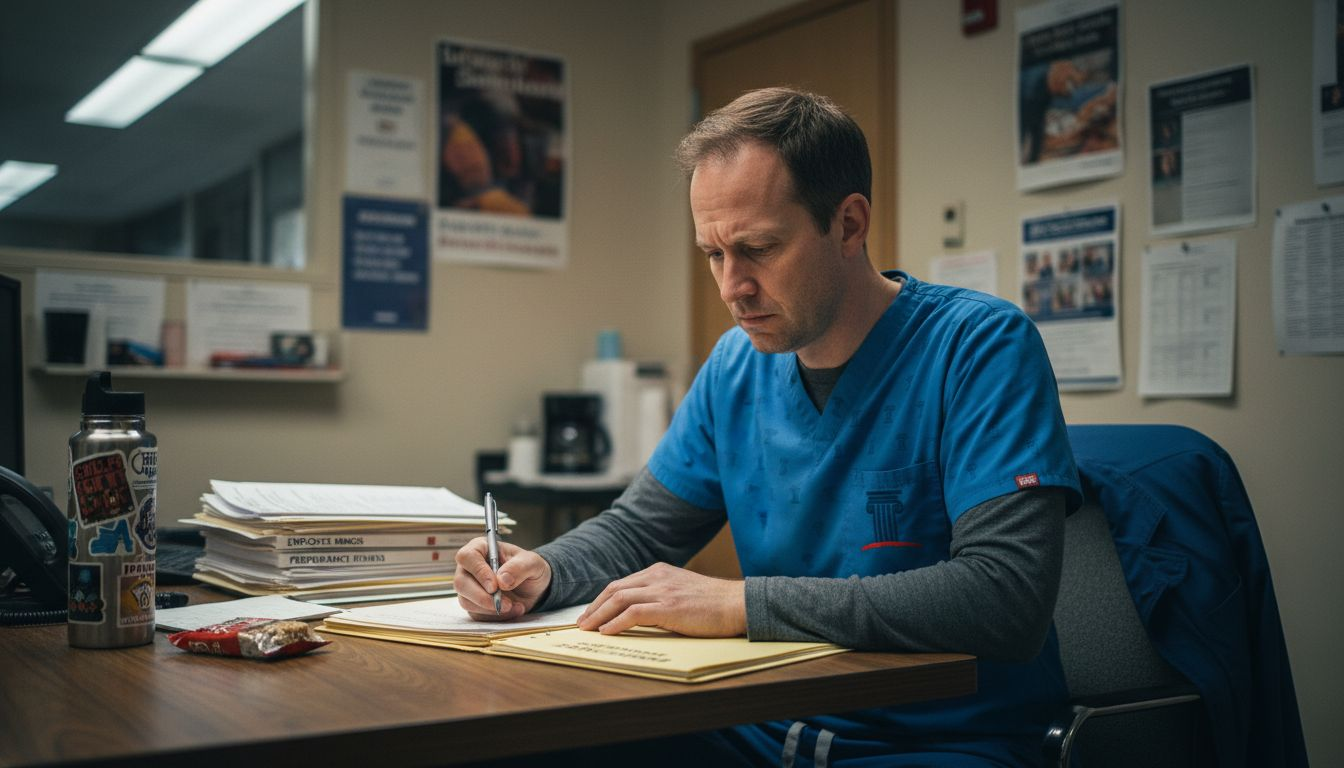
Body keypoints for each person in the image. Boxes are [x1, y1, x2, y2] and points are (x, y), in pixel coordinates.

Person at [456, 87, 1081, 767]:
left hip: (940, 742)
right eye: (714, 255)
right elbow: (639, 530)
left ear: (848, 225)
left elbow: (1004, 597)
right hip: (759, 725)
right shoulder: (736, 368)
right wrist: (543, 569)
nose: (731, 288)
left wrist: (743, 605)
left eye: (757, 248)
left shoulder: (978, 346)